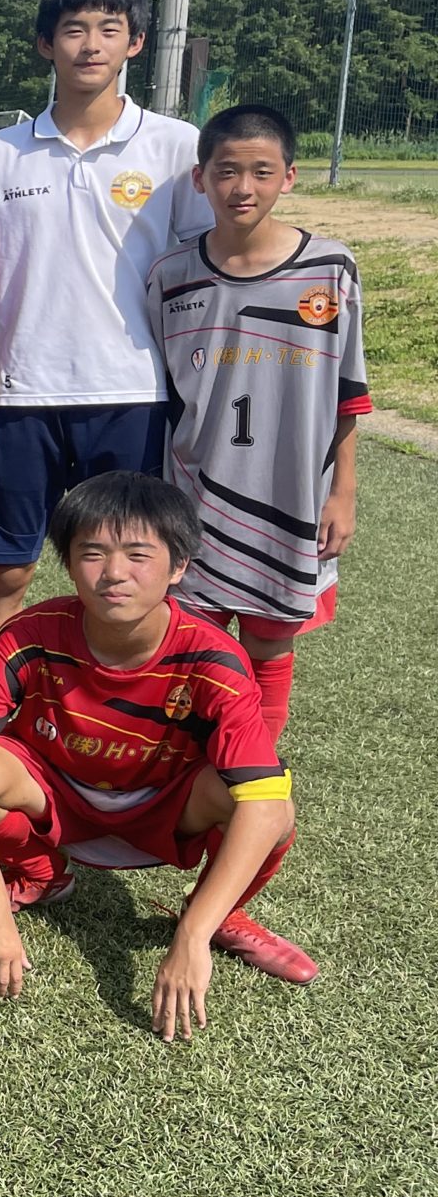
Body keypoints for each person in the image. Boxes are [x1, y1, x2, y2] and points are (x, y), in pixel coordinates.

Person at [0, 470, 313, 1037]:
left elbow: (261, 803)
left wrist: (191, 937)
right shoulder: (28, 633)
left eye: (138, 554)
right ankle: (38, 874)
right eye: (92, 553)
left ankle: (218, 915)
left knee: (274, 809)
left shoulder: (214, 658)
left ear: (178, 566)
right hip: (58, 789)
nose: (114, 573)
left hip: (166, 805)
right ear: (68, 563)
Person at [0, 0, 210, 663]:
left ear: (136, 42)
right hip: (25, 394)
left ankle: (122, 707)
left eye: (108, 29)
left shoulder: (176, 147)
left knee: (132, 573)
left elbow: (211, 265)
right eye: (74, 30)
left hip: (134, 394)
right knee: (7, 572)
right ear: (46, 44)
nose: (91, 45)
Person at [146, 105, 368, 746]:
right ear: (200, 179)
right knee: (196, 645)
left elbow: (349, 394)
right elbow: (161, 395)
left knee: (270, 643)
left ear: (289, 177)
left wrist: (343, 492)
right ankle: (195, 770)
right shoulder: (171, 276)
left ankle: (256, 771)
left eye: (262, 172)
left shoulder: (329, 268)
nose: (242, 187)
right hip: (196, 494)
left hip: (290, 496)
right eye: (227, 171)